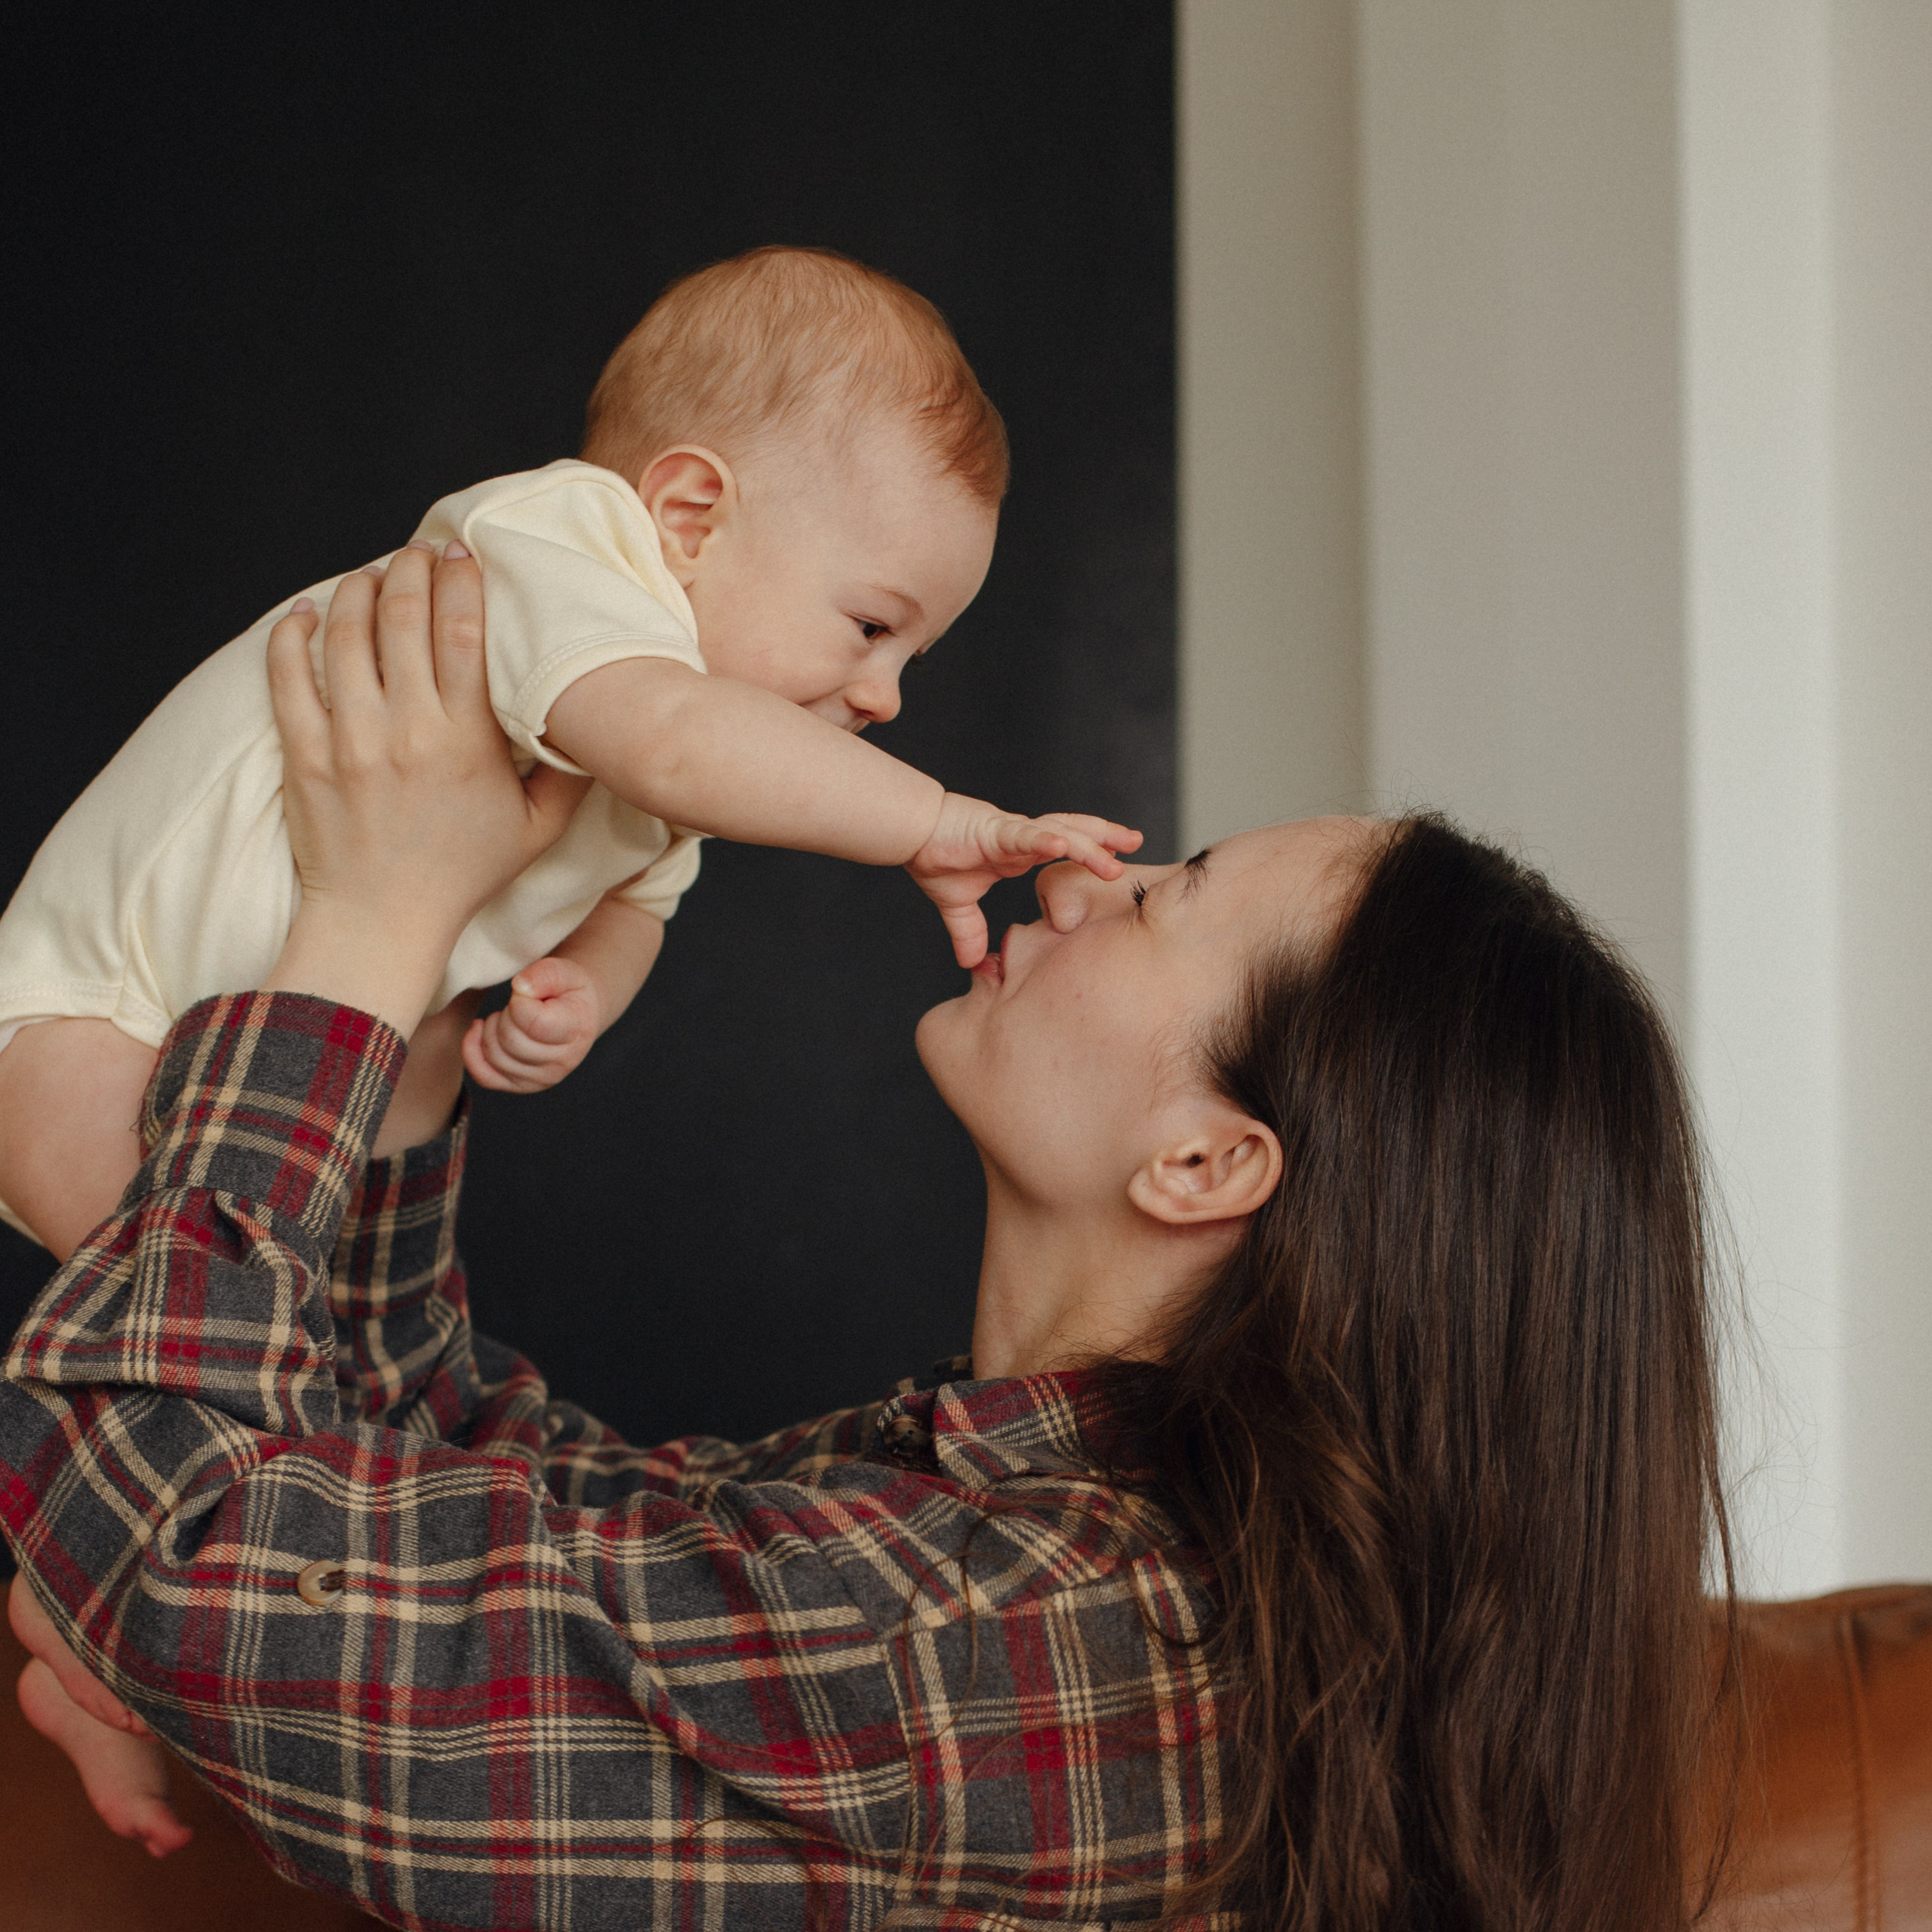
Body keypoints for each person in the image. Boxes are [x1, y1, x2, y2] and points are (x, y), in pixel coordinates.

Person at [1, 549, 1735, 1930]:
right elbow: (477, 1516)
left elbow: (184, 1543)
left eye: (1162, 896)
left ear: (1207, 1156)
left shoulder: (1018, 1635)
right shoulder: (998, 1536)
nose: (1078, 881)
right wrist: (427, 1041)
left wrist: (364, 925)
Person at [0, 245, 1137, 1259]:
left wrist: (583, 990)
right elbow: (678, 747)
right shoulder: (563, 546)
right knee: (168, 1309)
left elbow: (642, 905)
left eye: (913, 661)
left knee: (266, 1334)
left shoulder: (677, 770)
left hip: (276, 1082)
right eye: (873, 627)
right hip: (94, 1013)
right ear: (690, 516)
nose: (885, 696)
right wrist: (934, 824)